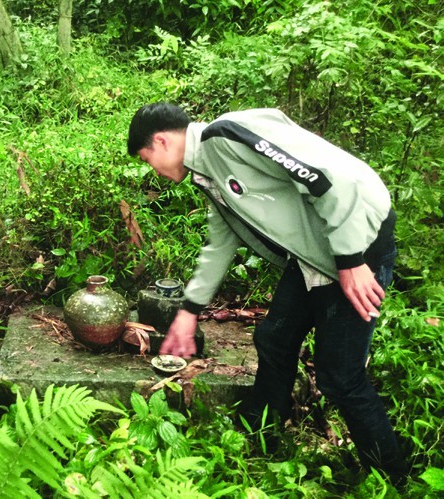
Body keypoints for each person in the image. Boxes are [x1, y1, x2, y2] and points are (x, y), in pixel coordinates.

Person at [127, 102, 407, 481]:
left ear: (160, 141)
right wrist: (189, 311)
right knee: (274, 338)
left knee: (340, 377)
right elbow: (220, 243)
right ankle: (259, 433)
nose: (154, 171)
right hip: (315, 252)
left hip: (357, 243)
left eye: (147, 159)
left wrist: (352, 260)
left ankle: (393, 476)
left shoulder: (226, 136)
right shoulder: (207, 169)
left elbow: (325, 179)